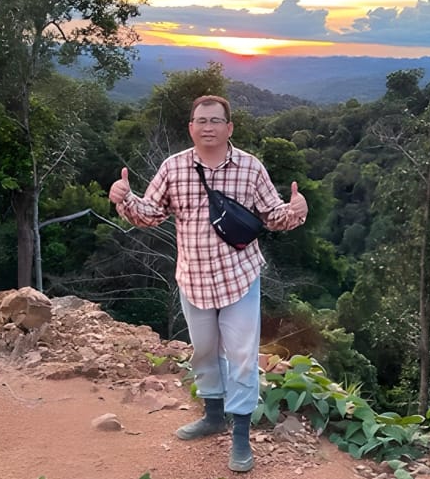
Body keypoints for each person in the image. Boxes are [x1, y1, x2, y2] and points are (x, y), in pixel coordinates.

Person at [109, 95, 308, 472]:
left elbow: (273, 216)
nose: (208, 127)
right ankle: (214, 415)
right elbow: (149, 215)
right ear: (191, 127)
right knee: (203, 351)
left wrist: (296, 211)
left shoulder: (250, 168)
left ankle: (241, 436)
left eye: (216, 120)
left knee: (243, 357)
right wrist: (126, 199)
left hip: (239, 278)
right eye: (201, 120)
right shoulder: (174, 168)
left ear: (229, 128)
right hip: (194, 280)